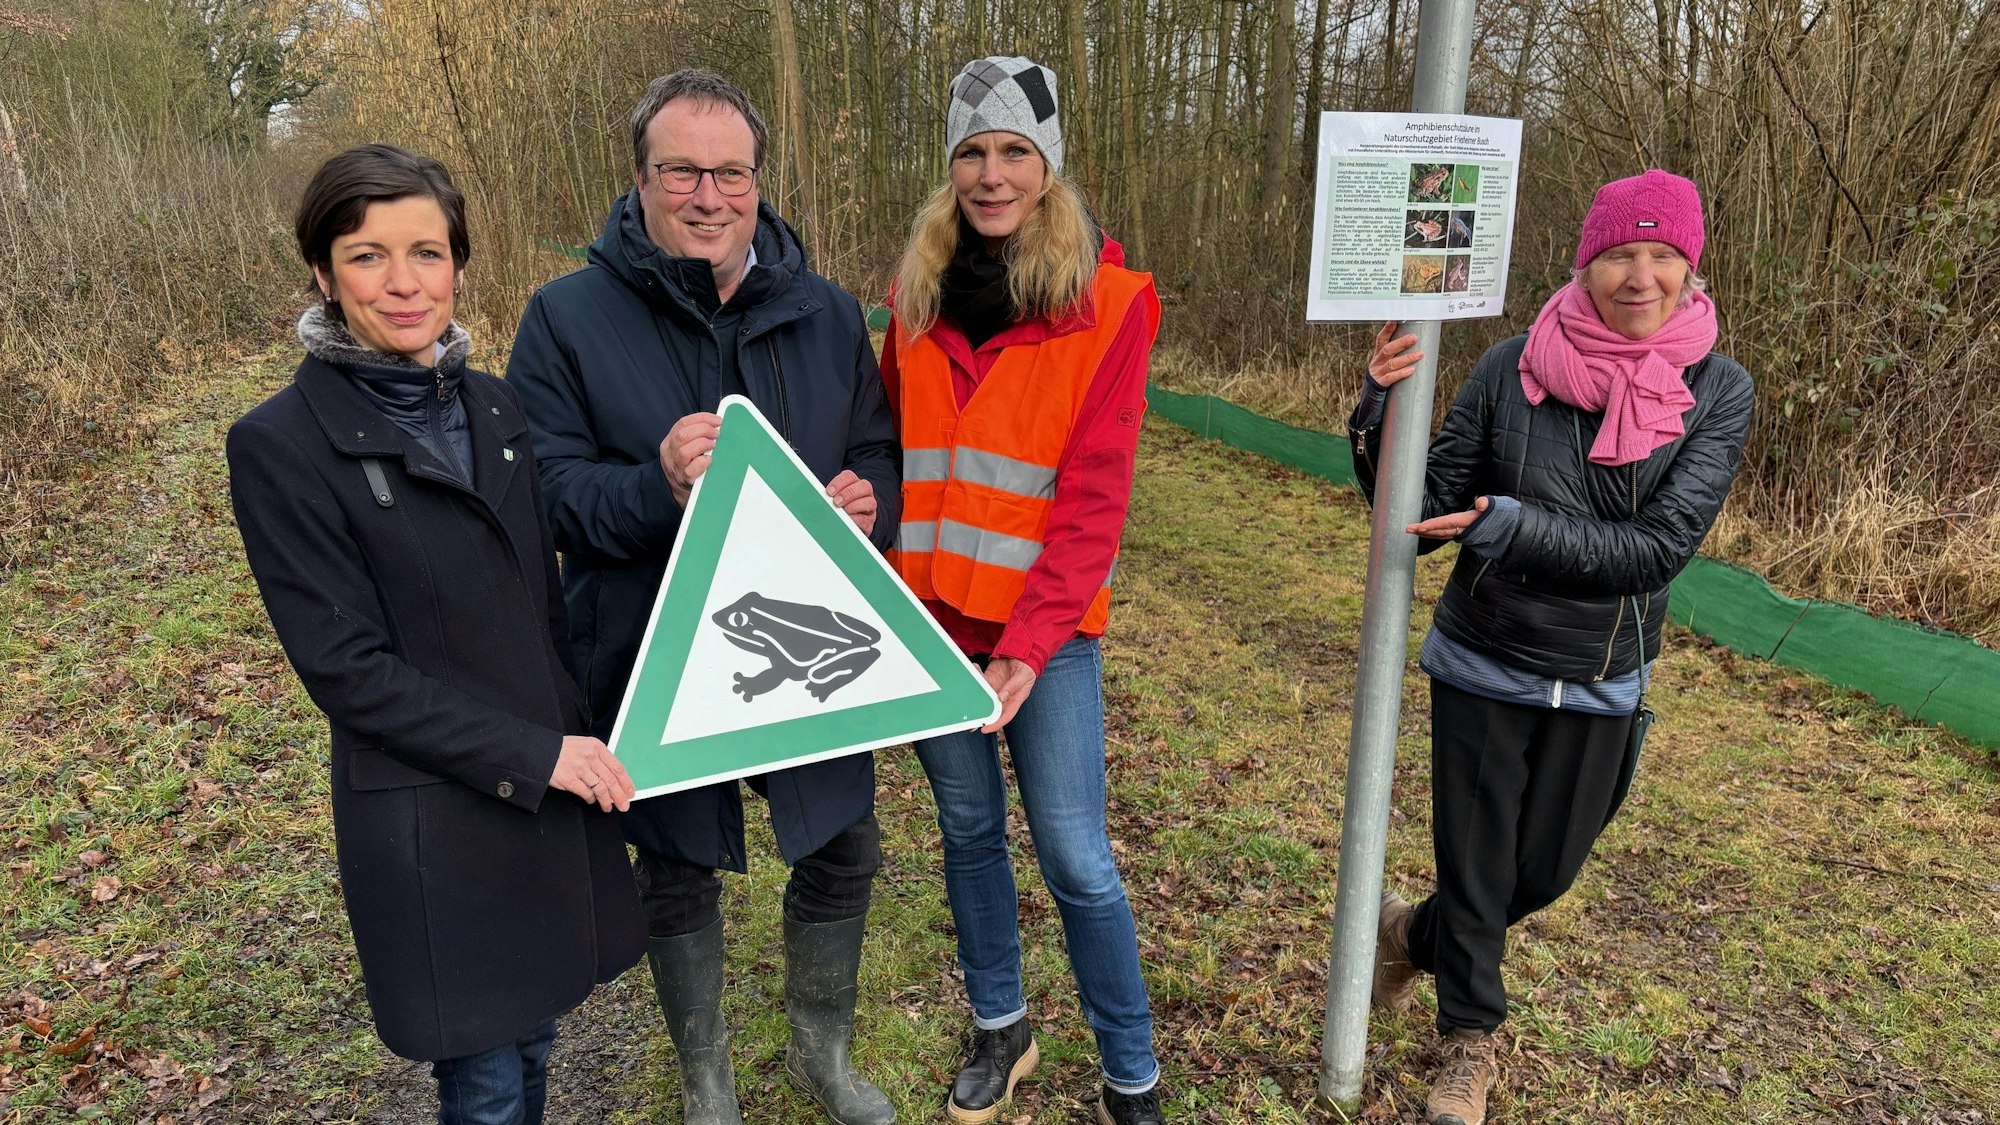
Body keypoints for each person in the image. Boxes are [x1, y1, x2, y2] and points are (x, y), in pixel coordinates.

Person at [507, 70, 900, 1125]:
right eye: (680, 169)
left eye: (730, 172)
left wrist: (870, 498)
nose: (707, 195)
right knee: (673, 863)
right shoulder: (562, 317)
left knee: (841, 841)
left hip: (806, 641)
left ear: (757, 182)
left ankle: (823, 1051)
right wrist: (654, 485)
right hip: (650, 645)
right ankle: (706, 1078)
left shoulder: (822, 312)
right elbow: (541, 496)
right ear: (639, 179)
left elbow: (875, 443)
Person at [226, 144, 647, 1125]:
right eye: (368, 255)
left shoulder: (497, 407)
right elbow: (347, 671)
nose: (404, 282)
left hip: (544, 795)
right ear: (324, 275)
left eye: (427, 251)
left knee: (540, 1034)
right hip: (432, 815)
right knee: (487, 1083)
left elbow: (539, 604)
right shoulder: (279, 444)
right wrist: (535, 752)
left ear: (460, 263)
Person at [1354, 169, 1754, 1125]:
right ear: (1587, 261)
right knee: (1481, 863)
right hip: (1487, 655)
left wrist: (1509, 524)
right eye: (1622, 253)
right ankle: (1468, 1044)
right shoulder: (1508, 365)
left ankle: (1411, 934)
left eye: (1664, 256)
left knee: (1541, 874)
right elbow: (1417, 504)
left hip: (1606, 668)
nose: (1641, 275)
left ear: (1692, 272)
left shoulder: (1720, 390)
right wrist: (1379, 410)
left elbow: (1656, 551)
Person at [881, 56, 1168, 1125]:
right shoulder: (910, 297)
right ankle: (1001, 1027)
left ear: (1048, 168)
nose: (989, 173)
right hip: (928, 628)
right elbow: (889, 455)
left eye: (1012, 152)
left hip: (1041, 640)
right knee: (965, 835)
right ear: (948, 164)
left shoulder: (1110, 306)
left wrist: (1029, 643)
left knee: (1075, 857)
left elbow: (1092, 502)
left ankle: (1128, 1073)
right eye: (970, 151)